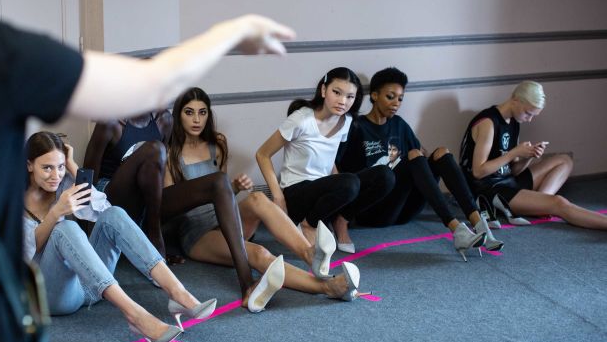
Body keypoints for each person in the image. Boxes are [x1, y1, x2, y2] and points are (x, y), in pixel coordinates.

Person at [0, 0, 295, 342]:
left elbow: (105, 205)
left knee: (113, 214)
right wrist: (236, 29)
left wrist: (74, 190)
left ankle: (175, 293)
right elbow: (153, 84)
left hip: (40, 292)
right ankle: (139, 313)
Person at [163, 88, 360, 309]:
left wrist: (235, 188)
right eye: (189, 112)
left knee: (257, 198)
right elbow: (171, 208)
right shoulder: (169, 154)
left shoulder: (217, 144)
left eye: (202, 112)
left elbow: (222, 194)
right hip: (197, 233)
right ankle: (328, 287)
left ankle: (308, 252)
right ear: (179, 115)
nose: (197, 119)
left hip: (224, 217)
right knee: (259, 253)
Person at [23, 132, 216, 342]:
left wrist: (72, 165)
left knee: (114, 213)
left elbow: (102, 209)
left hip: (90, 286)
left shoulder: (63, 181)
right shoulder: (11, 200)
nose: (55, 175)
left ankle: (177, 292)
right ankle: (135, 315)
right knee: (65, 227)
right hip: (51, 297)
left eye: (59, 166)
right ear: (29, 165)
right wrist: (55, 214)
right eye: (47, 167)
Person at [336, 67, 495, 261]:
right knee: (412, 155)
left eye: (400, 99)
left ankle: (478, 222)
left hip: (404, 208)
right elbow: (342, 171)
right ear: (375, 95)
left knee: (441, 153)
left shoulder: (399, 124)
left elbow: (421, 158)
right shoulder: (357, 127)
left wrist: (436, 160)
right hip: (374, 209)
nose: (396, 103)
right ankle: (456, 229)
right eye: (390, 96)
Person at [256, 67, 394, 254]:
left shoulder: (345, 121)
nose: (343, 101)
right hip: (296, 193)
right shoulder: (301, 119)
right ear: (323, 90)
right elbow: (262, 154)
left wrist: (342, 193)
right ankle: (308, 224)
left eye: (350, 97)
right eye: (336, 92)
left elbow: (329, 162)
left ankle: (340, 219)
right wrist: (278, 197)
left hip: (323, 192)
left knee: (385, 175)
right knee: (350, 182)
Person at [460, 80, 607, 231]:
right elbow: (478, 172)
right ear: (515, 100)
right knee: (559, 203)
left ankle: (540, 205)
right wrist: (514, 153)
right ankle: (546, 206)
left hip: (508, 181)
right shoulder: (488, 123)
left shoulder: (514, 120)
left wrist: (529, 155)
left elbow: (514, 170)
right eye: (528, 113)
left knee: (564, 160)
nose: (529, 119)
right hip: (489, 191)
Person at [83, 110, 173, 257]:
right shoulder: (110, 121)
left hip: (146, 200)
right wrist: (86, 234)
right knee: (155, 149)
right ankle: (154, 236)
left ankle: (152, 234)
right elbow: (88, 174)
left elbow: (159, 172)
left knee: (218, 182)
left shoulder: (165, 119)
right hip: (109, 195)